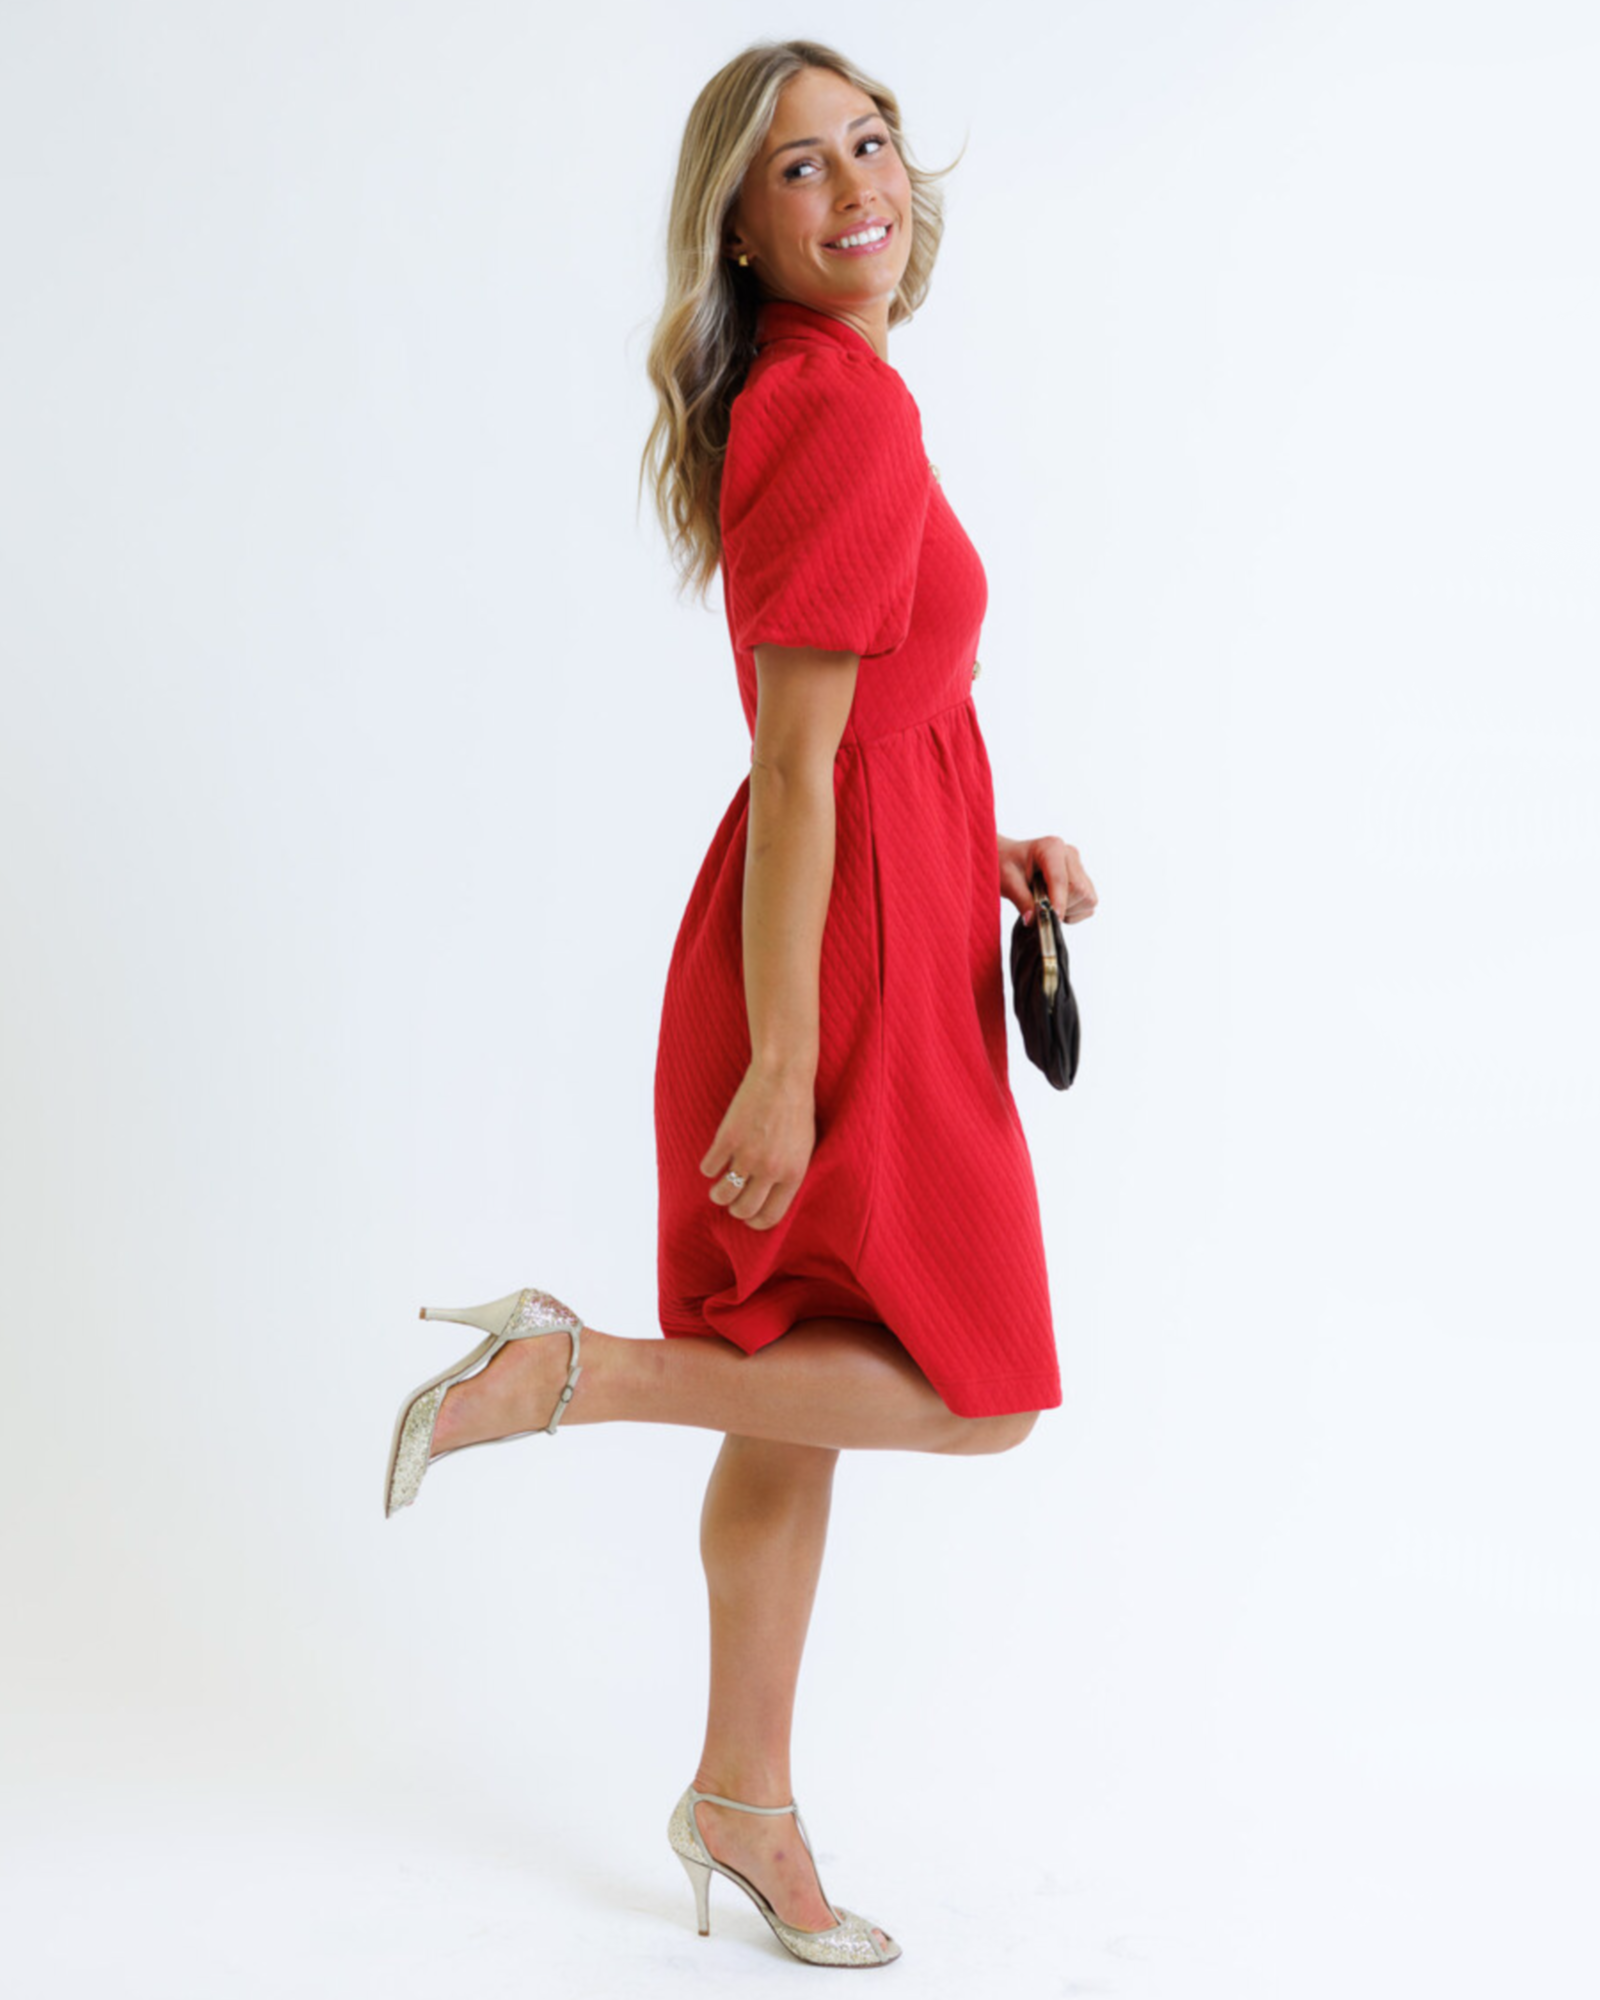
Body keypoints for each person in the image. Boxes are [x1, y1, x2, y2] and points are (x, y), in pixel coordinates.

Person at [381, 38, 1099, 1971]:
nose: (857, 183)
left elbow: (877, 714)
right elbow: (796, 767)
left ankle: (743, 1802)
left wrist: (994, 846)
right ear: (741, 225)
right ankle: (572, 1370)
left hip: (896, 896)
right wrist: (788, 1061)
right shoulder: (837, 411)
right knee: (979, 1400)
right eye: (799, 168)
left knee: (795, 1415)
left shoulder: (837, 390)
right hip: (837, 962)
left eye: (869, 142)